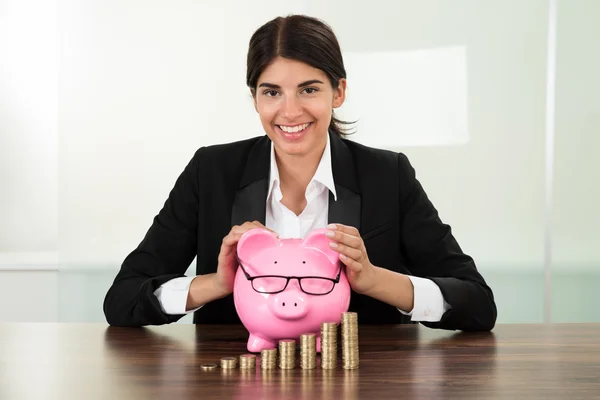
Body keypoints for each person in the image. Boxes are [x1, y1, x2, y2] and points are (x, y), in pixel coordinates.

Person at [103, 14, 496, 331]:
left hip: (361, 384)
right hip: (233, 383)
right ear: (255, 97)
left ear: (338, 92)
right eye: (272, 92)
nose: (289, 112)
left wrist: (374, 279)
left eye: (309, 89)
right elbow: (122, 300)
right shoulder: (212, 171)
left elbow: (477, 304)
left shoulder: (387, 174)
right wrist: (215, 284)